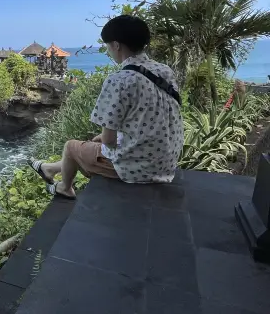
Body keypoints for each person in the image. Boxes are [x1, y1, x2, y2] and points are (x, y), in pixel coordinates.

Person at [31, 15, 183, 199]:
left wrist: (105, 139)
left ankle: (64, 187)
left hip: (139, 169)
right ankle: (50, 169)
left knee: (71, 146)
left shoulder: (119, 80)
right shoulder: (165, 71)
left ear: (116, 45)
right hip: (167, 162)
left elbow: (109, 140)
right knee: (95, 142)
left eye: (108, 45)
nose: (109, 50)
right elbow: (147, 118)